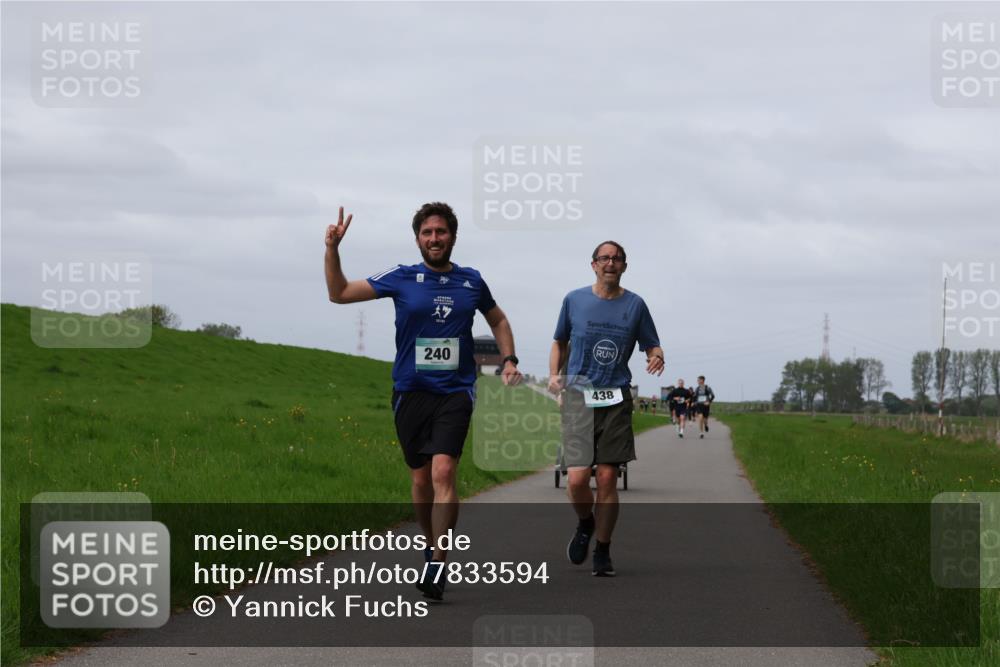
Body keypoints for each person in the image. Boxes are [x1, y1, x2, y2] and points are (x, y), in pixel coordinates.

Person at [325, 203, 522, 600]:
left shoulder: (471, 282)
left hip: (456, 391)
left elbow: (497, 320)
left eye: (441, 232)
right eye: (427, 233)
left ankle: (437, 559)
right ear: (417, 238)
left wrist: (509, 359)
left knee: (444, 473)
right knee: (419, 480)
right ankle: (429, 542)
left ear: (453, 236)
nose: (435, 239)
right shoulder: (401, 278)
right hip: (410, 392)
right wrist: (333, 249)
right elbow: (340, 293)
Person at [548, 241, 664, 577]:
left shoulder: (636, 305)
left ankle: (603, 549)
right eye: (604, 258)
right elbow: (559, 341)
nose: (610, 263)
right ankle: (586, 522)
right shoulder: (574, 300)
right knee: (577, 478)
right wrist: (555, 375)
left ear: (624, 266)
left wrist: (657, 354)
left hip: (615, 397)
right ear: (593, 265)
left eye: (617, 259)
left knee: (608, 476)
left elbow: (651, 343)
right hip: (578, 396)